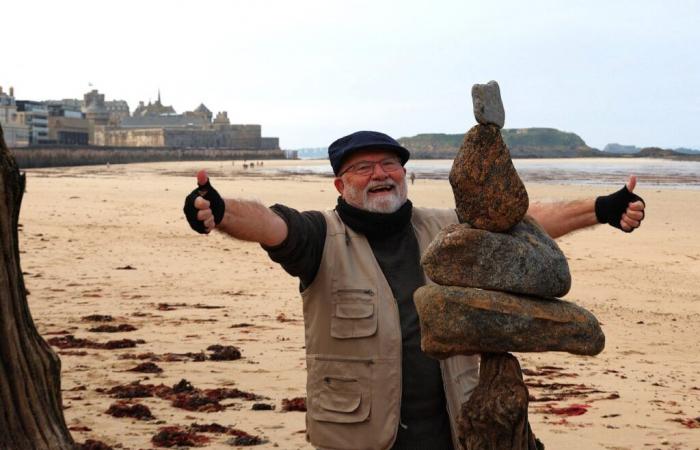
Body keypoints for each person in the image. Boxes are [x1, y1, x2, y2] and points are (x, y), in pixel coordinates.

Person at [183, 130, 645, 450]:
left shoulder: (447, 229)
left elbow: (526, 225)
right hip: (361, 436)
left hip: (455, 429)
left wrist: (601, 209)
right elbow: (269, 223)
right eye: (363, 167)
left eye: (390, 164)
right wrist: (220, 211)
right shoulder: (319, 235)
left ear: (405, 175)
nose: (381, 174)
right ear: (340, 184)